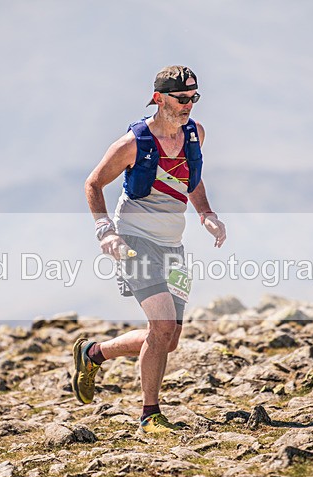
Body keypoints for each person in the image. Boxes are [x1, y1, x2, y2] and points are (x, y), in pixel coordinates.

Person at [73, 65, 226, 434]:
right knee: (160, 326)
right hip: (134, 240)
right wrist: (104, 231)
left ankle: (94, 353)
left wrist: (205, 212)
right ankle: (150, 415)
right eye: (181, 98)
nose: (189, 105)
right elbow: (93, 184)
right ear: (159, 99)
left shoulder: (195, 134)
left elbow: (192, 176)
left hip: (172, 244)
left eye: (194, 97)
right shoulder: (133, 143)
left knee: (169, 338)